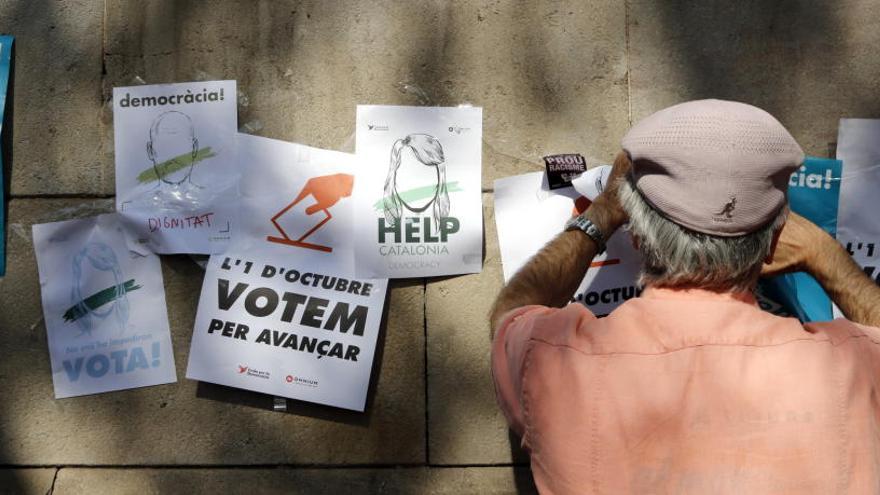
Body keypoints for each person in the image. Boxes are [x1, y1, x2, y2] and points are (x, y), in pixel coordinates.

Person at [490, 100, 880, 494]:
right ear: (776, 239)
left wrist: (603, 213)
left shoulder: (556, 359)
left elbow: (511, 313)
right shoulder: (850, 366)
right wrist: (825, 255)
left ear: (638, 236)